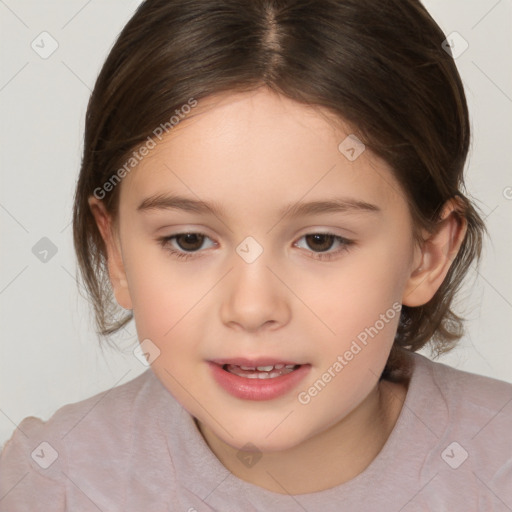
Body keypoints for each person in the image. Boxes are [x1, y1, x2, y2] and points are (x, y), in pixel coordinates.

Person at [1, 0, 511, 510]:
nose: (251, 307)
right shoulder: (55, 483)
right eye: (189, 240)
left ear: (427, 254)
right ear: (116, 251)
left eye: (320, 241)